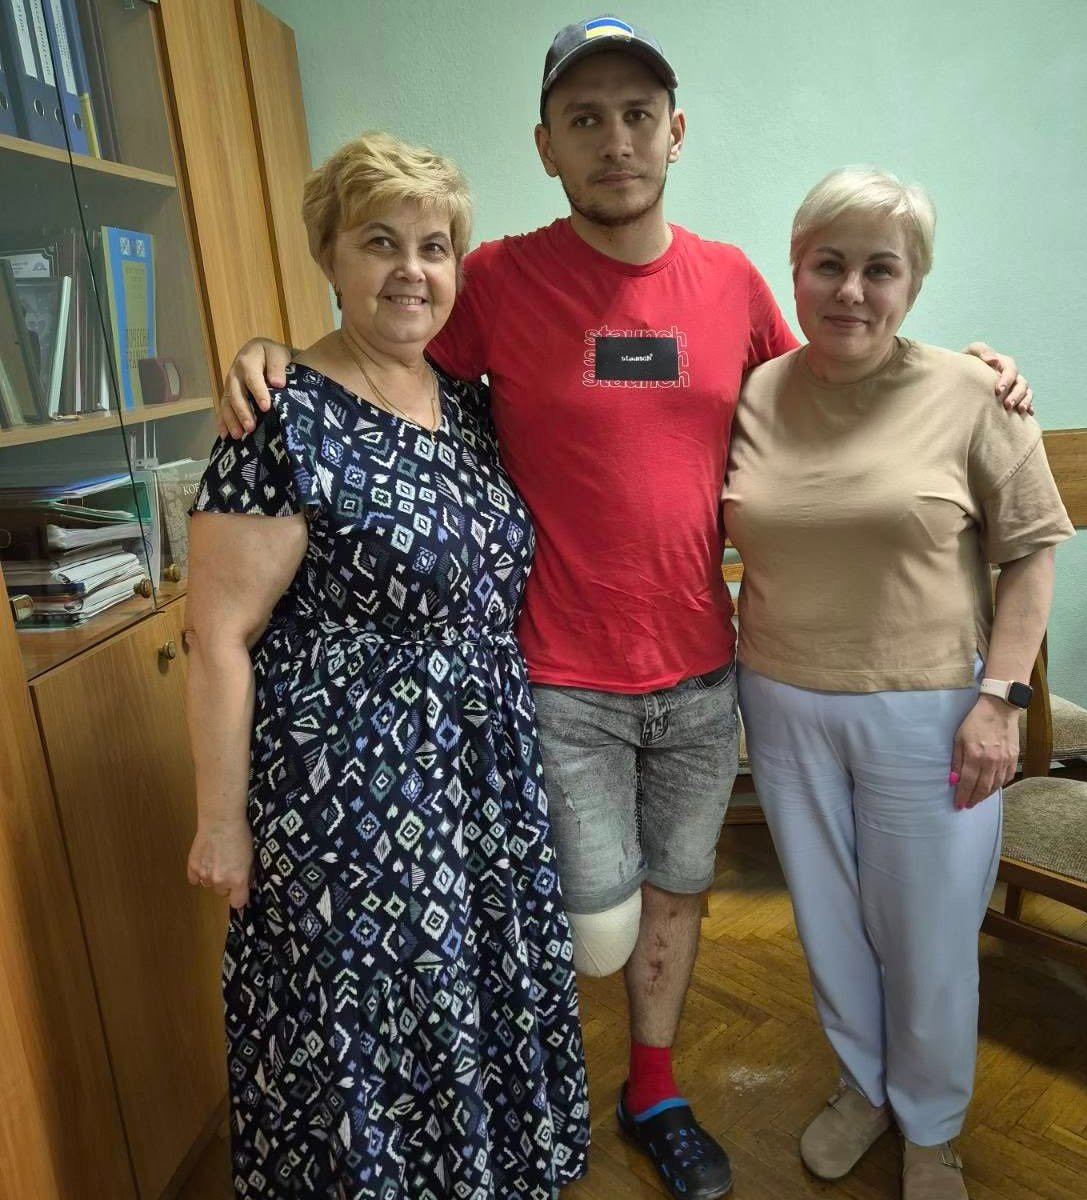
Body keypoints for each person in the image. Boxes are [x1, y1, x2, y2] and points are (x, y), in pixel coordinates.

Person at [211, 17, 1031, 1200]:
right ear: (545, 144)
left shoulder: (734, 283)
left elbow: (841, 378)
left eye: (638, 116)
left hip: (703, 671)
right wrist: (269, 355)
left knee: (681, 892)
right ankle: (536, 1078)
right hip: (556, 678)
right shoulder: (496, 281)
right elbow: (384, 354)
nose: (615, 141)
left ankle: (655, 1087)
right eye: (584, 118)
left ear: (675, 132)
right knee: (599, 925)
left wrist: (973, 373)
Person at [183, 132, 588, 1199]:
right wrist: (221, 823)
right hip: (349, 793)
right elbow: (216, 635)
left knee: (466, 999)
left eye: (434, 246)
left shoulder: (470, 407)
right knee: (371, 1022)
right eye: (379, 242)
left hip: (479, 774)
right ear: (329, 254)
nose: (412, 269)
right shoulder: (281, 417)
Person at [724, 166, 1075, 1200]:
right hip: (780, 702)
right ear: (795, 271)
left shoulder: (973, 393)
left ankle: (932, 1127)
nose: (851, 290)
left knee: (928, 939)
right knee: (829, 923)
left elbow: (1032, 554)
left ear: (913, 284)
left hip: (934, 712)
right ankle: (863, 1089)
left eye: (880, 269)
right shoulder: (753, 393)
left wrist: (1000, 701)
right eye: (828, 264)